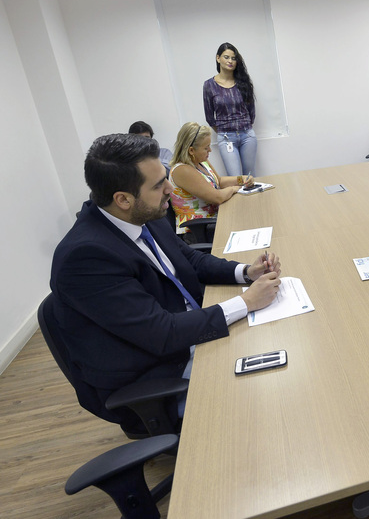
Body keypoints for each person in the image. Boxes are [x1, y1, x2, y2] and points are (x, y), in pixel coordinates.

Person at [49, 133, 281, 432]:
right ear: (123, 199)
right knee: (267, 397)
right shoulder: (85, 257)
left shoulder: (144, 214)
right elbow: (162, 332)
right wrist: (246, 302)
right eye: (159, 184)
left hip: (185, 332)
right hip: (156, 372)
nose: (171, 189)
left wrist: (246, 272)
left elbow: (190, 260)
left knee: (273, 344)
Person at [169, 122, 254, 243]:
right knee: (247, 223)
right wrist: (235, 188)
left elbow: (218, 181)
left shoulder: (201, 161)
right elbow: (217, 197)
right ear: (191, 150)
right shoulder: (182, 170)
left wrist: (242, 179)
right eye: (206, 148)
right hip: (200, 229)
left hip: (214, 220)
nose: (210, 150)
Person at [203, 42, 257, 176]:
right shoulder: (209, 85)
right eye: (226, 57)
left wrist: (244, 127)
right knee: (235, 178)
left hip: (247, 135)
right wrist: (225, 130)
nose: (230, 61)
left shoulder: (244, 82)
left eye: (233, 58)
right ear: (218, 58)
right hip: (226, 137)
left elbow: (251, 112)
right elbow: (209, 117)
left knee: (250, 177)